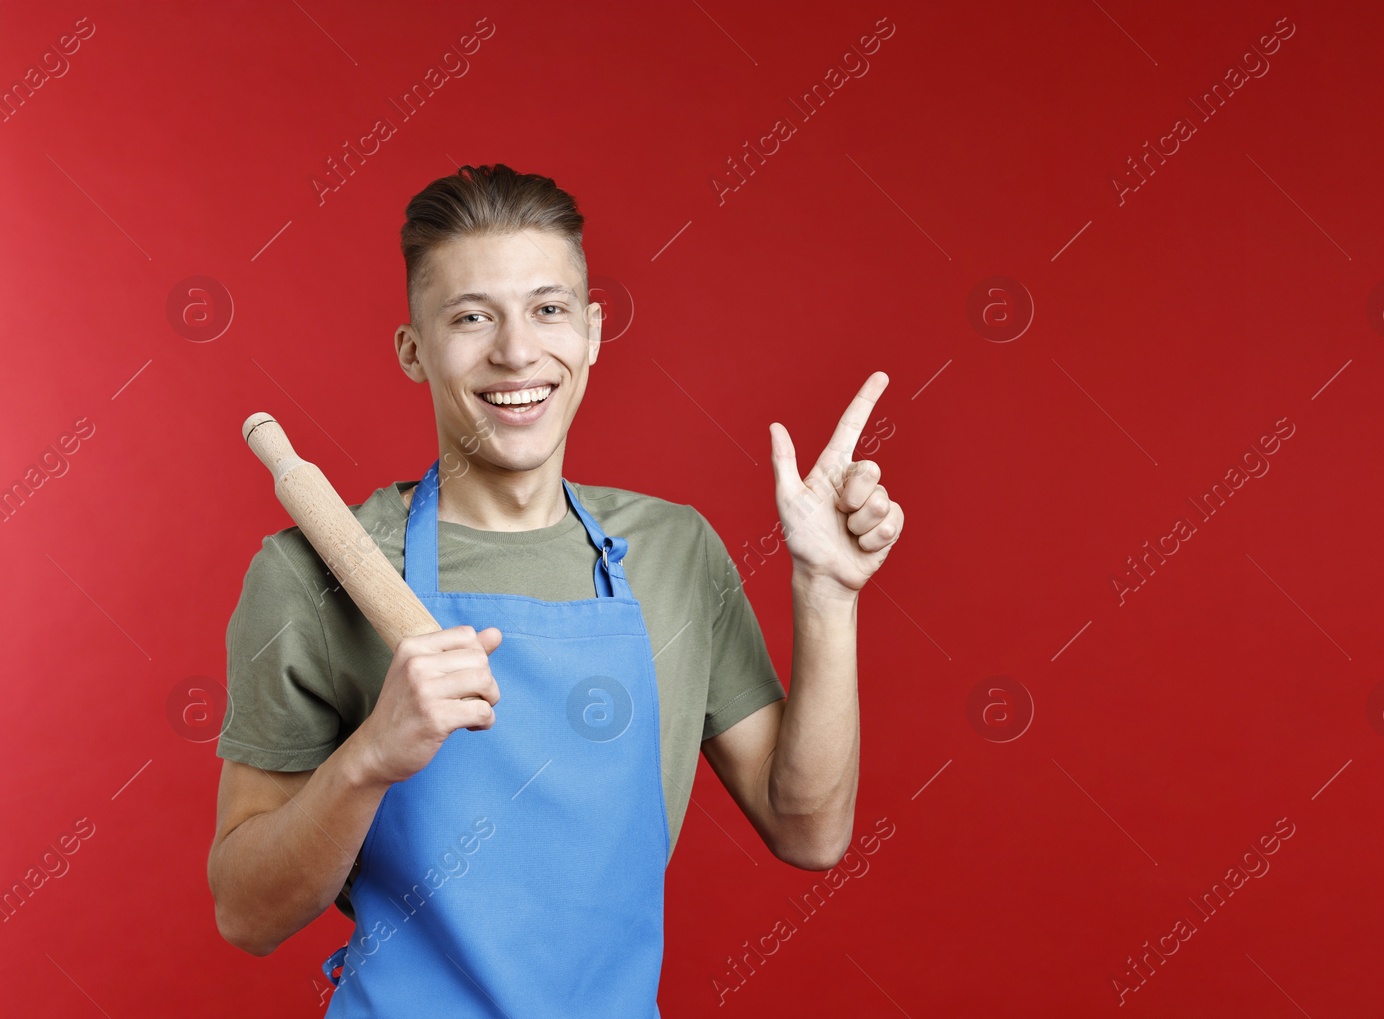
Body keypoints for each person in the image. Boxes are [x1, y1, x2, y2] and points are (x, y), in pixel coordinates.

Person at [206, 164, 905, 1016]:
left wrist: (828, 592)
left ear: (592, 330)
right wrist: (369, 758)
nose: (516, 351)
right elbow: (246, 913)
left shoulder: (672, 551)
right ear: (413, 348)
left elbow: (810, 830)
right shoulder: (310, 573)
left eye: (548, 308)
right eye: (471, 317)